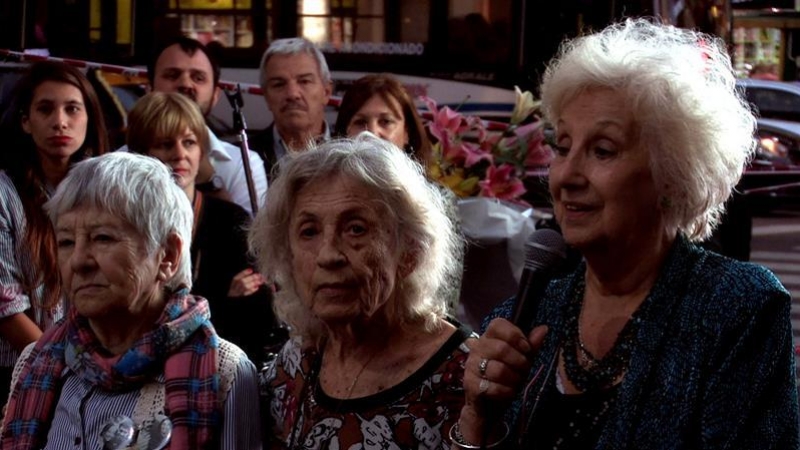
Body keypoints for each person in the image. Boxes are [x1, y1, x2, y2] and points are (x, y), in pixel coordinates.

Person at [456, 18, 800, 449]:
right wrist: (476, 417)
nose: (567, 176)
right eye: (563, 147)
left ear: (672, 177)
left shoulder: (736, 309)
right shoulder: (521, 318)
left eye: (603, 150)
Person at [0, 152, 262, 449]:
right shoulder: (36, 361)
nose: (78, 262)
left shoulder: (224, 372)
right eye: (66, 242)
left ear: (168, 255)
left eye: (102, 238)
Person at [251, 135, 473, 449]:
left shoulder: (465, 379)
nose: (328, 255)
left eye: (356, 228)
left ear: (410, 249)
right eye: (309, 232)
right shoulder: (296, 360)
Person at [126, 91, 281, 365]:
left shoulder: (232, 221)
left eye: (189, 142)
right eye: (165, 144)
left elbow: (257, 315)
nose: (180, 154)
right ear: (142, 152)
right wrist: (223, 299)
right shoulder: (126, 222)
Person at [0, 60, 108, 404]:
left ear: (88, 120)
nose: (60, 121)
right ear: (25, 122)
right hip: (14, 374)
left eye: (72, 109)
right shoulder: (4, 191)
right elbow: (5, 305)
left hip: (95, 367)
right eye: (45, 109)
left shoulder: (107, 191)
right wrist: (60, 365)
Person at [144, 36, 268, 215]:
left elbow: (250, 238)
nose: (186, 84)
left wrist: (209, 180)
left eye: (198, 78)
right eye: (172, 75)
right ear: (149, 89)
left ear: (215, 95)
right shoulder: (119, 160)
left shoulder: (243, 163)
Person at [250, 37, 332, 181]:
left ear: (326, 92)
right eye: (279, 84)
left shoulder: (353, 151)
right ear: (266, 97)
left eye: (304, 81)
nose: (292, 94)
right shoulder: (242, 156)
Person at [333, 73, 432, 165]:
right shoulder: (320, 183)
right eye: (360, 122)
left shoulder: (424, 184)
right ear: (344, 135)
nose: (372, 133)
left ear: (407, 132)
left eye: (385, 121)